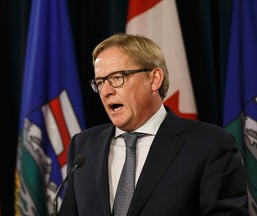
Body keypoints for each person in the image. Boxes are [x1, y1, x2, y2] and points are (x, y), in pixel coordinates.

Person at [58, 33, 248, 215]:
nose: (106, 91)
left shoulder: (210, 145)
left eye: (117, 78)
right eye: (99, 82)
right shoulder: (83, 147)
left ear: (154, 79)